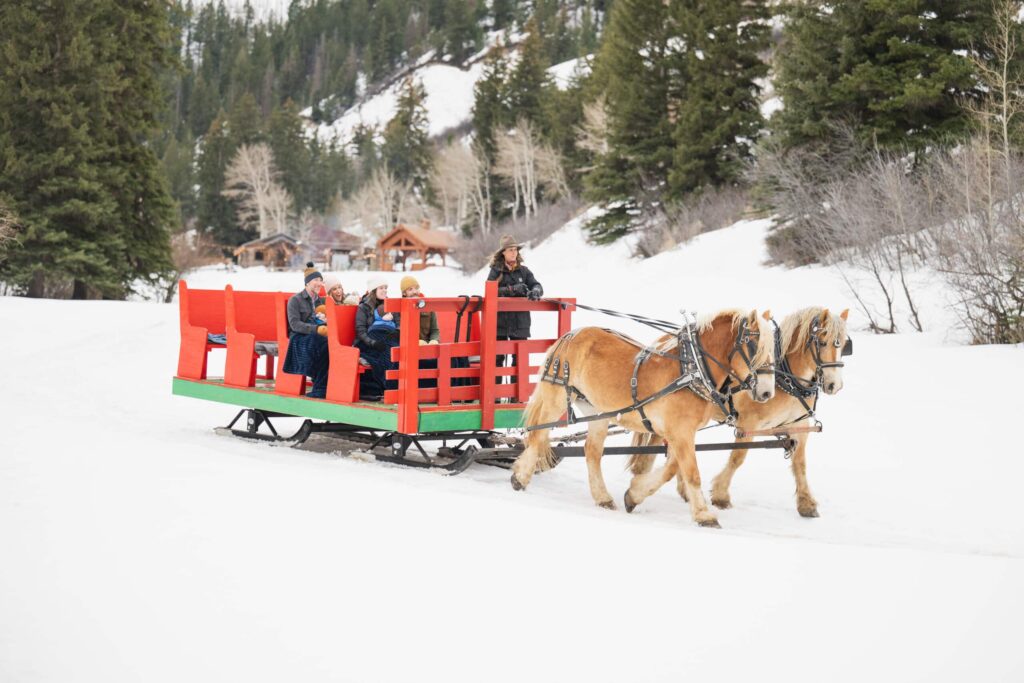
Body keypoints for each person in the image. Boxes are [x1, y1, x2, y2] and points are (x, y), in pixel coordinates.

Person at [486, 235, 543, 383]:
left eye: (515, 250)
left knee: (519, 358)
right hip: (500, 322)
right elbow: (491, 291)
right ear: (503, 252)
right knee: (498, 358)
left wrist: (536, 291)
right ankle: (497, 396)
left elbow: (536, 284)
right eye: (510, 250)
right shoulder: (495, 271)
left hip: (520, 321)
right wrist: (512, 289)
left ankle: (516, 397)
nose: (514, 252)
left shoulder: (524, 271)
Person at [282, 262, 329, 398]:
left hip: (318, 334)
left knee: (330, 344)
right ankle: (319, 386)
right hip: (299, 336)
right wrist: (316, 329)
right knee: (321, 344)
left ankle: (323, 384)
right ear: (307, 283)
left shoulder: (322, 301)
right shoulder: (295, 300)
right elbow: (295, 324)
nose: (319, 283)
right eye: (316, 280)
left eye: (321, 280)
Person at [353, 276, 398, 401]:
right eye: (381, 288)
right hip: (367, 343)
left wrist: (396, 332)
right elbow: (360, 331)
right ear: (373, 290)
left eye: (386, 288)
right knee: (387, 354)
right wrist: (373, 343)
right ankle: (388, 386)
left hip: (387, 338)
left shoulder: (391, 305)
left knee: (397, 350)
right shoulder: (364, 307)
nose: (384, 291)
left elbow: (399, 323)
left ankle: (396, 386)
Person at [400, 275, 440, 389]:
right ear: (404, 293)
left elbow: (435, 330)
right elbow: (399, 331)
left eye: (416, 288)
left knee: (447, 358)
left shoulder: (428, 305)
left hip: (427, 346)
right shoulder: (399, 308)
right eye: (410, 289)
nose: (414, 291)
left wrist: (434, 340)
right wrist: (415, 342)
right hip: (410, 347)